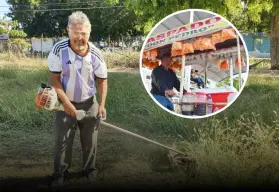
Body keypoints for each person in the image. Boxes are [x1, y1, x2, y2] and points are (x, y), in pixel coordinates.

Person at [47, 11, 108, 187]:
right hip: (64, 103)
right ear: (68, 31)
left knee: (90, 141)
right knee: (63, 140)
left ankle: (90, 170)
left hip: (89, 103)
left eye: (84, 33)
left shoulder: (96, 53)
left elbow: (102, 81)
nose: (80, 37)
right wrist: (66, 104)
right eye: (76, 33)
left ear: (89, 33)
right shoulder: (59, 50)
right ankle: (59, 175)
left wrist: (101, 105)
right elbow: (55, 80)